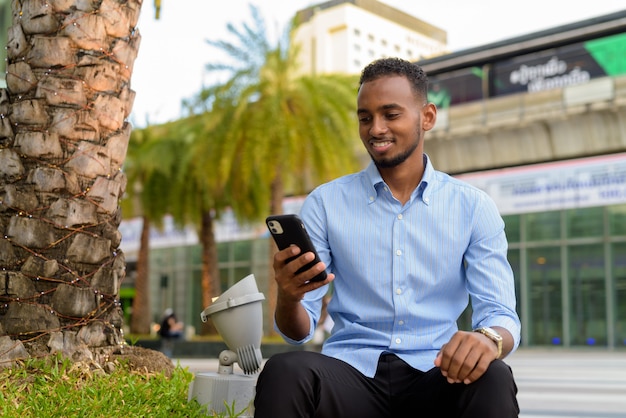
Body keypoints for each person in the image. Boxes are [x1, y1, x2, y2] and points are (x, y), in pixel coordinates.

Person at [253, 57, 521, 418]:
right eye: (365, 118)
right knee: (285, 371)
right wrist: (288, 297)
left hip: (437, 372)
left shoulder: (473, 207)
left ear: (427, 117)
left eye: (390, 115)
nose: (375, 128)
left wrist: (487, 340)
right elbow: (296, 333)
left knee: (494, 376)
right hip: (350, 374)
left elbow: (501, 314)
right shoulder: (326, 203)